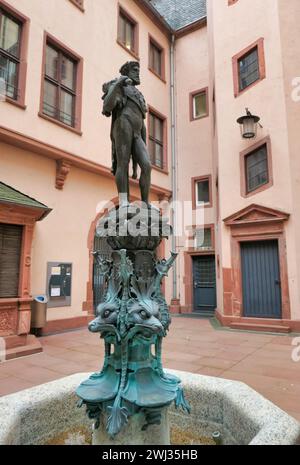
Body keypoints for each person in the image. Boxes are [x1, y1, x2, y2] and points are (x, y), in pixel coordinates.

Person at [102, 61, 152, 207]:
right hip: (123, 124)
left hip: (137, 130)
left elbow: (142, 118)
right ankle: (124, 199)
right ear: (127, 72)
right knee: (122, 163)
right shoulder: (119, 85)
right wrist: (119, 83)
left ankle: (145, 203)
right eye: (135, 70)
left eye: (138, 70)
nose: (137, 73)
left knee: (147, 166)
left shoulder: (139, 94)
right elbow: (107, 106)